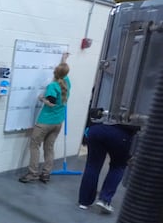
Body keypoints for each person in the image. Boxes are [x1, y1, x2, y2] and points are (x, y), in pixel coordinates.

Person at [19, 53, 70, 183]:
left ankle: (33, 173)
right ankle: (46, 173)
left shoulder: (52, 86)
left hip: (45, 122)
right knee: (49, 147)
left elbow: (51, 103)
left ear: (54, 73)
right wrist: (64, 60)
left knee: (34, 146)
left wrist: (41, 98)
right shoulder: (67, 82)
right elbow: (65, 73)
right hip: (58, 122)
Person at [77, 123, 138, 213]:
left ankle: (84, 202)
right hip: (122, 135)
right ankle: (104, 200)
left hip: (97, 130)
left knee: (92, 165)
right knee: (118, 166)